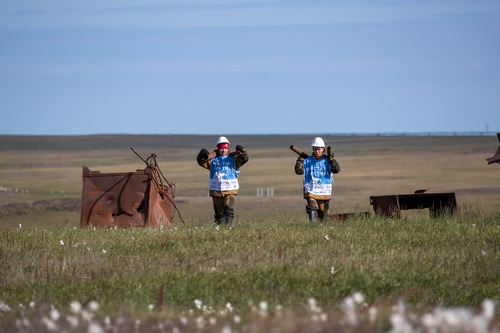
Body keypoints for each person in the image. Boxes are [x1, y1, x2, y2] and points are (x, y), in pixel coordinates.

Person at [196, 136, 249, 227]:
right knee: (219, 214)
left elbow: (244, 159)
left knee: (229, 210)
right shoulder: (212, 160)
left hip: (230, 189)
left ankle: (228, 228)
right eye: (221, 148)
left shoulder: (234, 159)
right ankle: (220, 229)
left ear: (228, 148)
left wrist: (243, 151)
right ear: (218, 148)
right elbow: (201, 162)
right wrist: (201, 154)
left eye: (225, 148)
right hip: (216, 190)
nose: (223, 150)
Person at [294, 137, 340, 222]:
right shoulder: (307, 160)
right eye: (315, 149)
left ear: (323, 149)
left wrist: (332, 160)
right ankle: (313, 226)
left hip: (324, 191)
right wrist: (299, 161)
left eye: (319, 149)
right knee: (311, 206)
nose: (317, 151)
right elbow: (299, 171)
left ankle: (321, 228)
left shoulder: (328, 160)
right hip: (311, 189)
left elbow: (336, 170)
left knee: (323, 215)